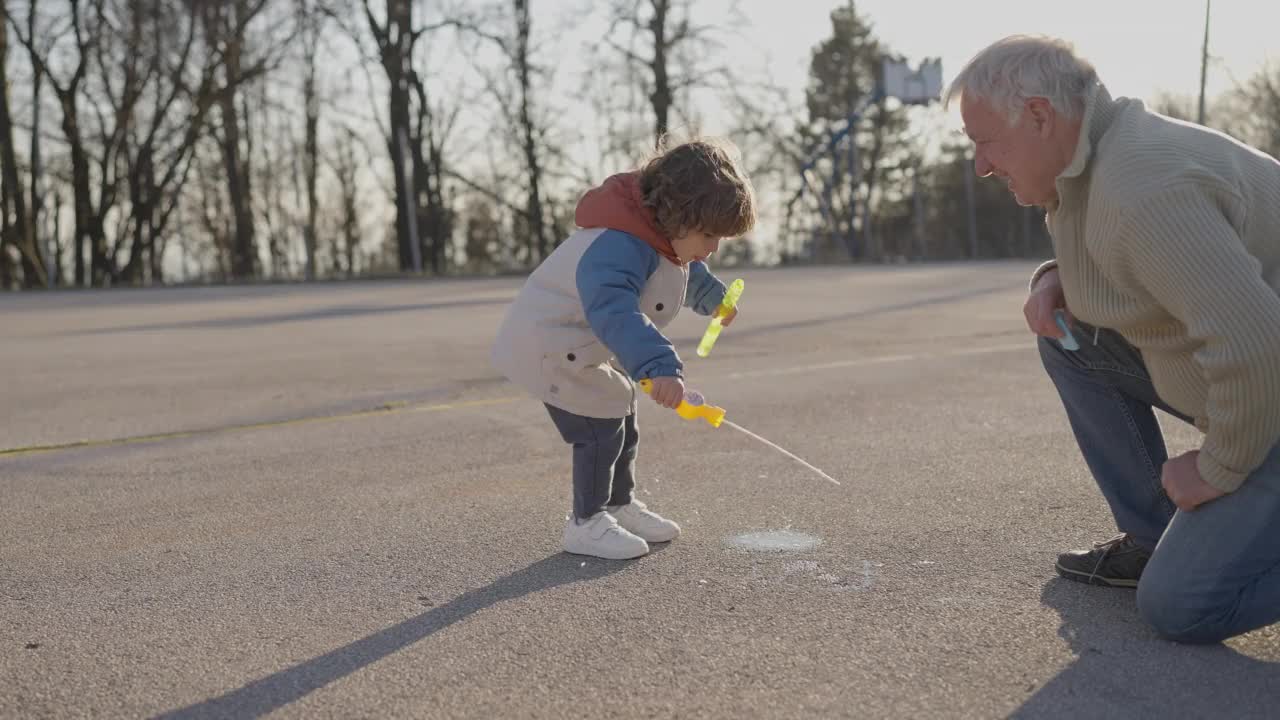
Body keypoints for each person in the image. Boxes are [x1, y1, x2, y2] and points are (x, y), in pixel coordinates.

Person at [946, 34, 1280, 643]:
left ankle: (1185, 557)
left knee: (1181, 606)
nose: (982, 164)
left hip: (1271, 387)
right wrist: (1055, 279)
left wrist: (1217, 468)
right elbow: (1127, 266)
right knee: (1071, 340)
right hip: (1259, 378)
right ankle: (1157, 540)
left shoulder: (1143, 189)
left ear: (1040, 116)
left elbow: (1260, 344)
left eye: (984, 140)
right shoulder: (1090, 163)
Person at [491, 138, 756, 560]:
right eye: (709, 234)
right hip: (547, 345)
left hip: (575, 346)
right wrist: (659, 365)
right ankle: (586, 523)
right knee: (599, 423)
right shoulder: (619, 246)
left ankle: (617, 505)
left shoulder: (661, 238)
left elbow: (685, 270)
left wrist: (715, 300)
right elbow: (613, 309)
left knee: (621, 407)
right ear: (678, 215)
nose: (713, 247)